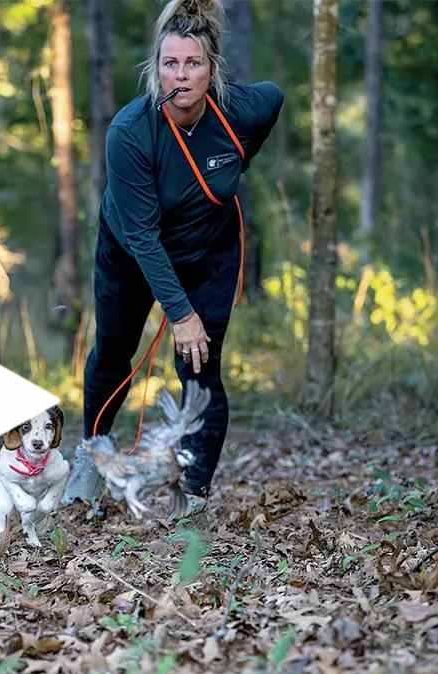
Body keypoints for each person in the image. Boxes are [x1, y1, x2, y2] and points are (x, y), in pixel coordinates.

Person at [62, 0, 283, 515]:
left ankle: (194, 494)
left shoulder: (240, 111)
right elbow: (142, 235)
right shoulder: (130, 131)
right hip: (130, 250)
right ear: (155, 68)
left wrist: (236, 160)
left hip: (208, 252)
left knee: (200, 365)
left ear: (212, 70)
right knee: (113, 352)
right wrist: (180, 315)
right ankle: (91, 454)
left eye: (193, 64)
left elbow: (274, 96)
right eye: (170, 64)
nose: (180, 75)